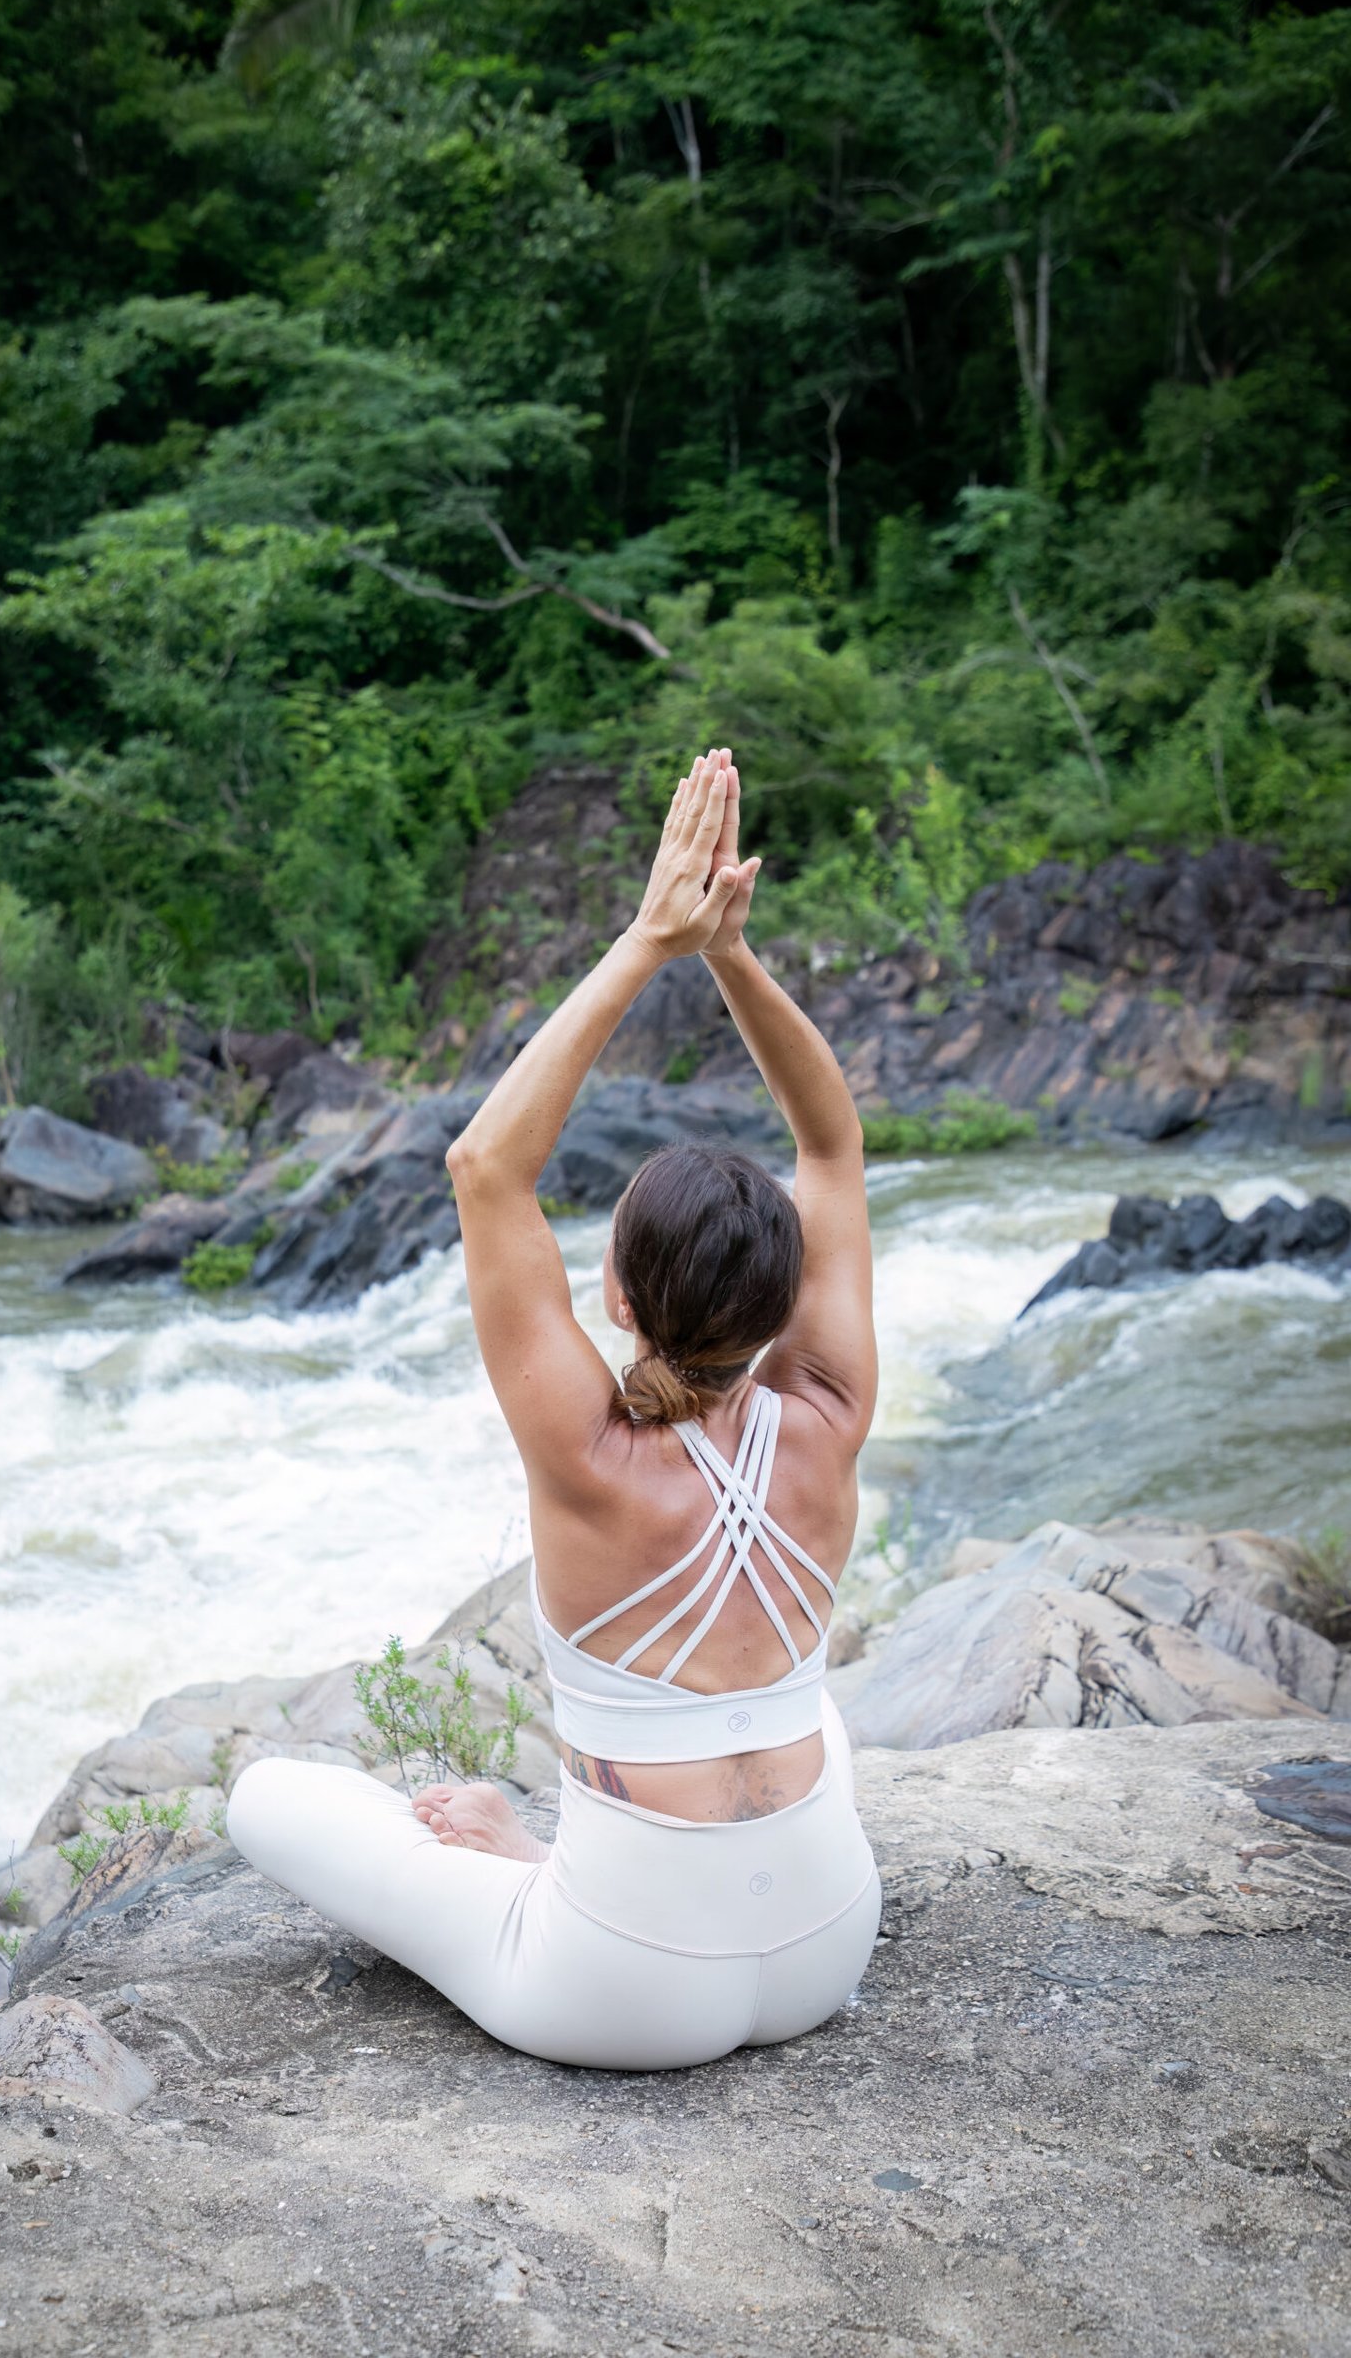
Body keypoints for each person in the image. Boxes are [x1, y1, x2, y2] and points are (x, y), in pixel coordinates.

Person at [226, 747, 880, 2069]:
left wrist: (653, 939)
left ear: (617, 1304)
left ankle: (538, 1868)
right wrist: (732, 957)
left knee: (265, 1796)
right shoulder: (830, 1407)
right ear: (785, 1302)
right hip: (827, 1947)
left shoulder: (589, 1452)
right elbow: (831, 1145)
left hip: (624, 1988)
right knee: (801, 1710)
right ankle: (547, 1853)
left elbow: (486, 1166)